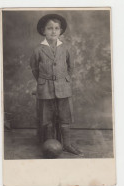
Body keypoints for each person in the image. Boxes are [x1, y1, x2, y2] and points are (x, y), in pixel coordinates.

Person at [30, 14, 84, 156]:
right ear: (43, 31)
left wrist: (62, 79)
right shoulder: (38, 50)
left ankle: (66, 144)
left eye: (56, 28)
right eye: (50, 28)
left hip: (63, 87)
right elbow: (35, 69)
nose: (53, 31)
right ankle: (49, 146)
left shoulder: (65, 48)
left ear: (60, 31)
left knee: (65, 116)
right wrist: (45, 80)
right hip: (45, 88)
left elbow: (70, 67)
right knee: (46, 117)